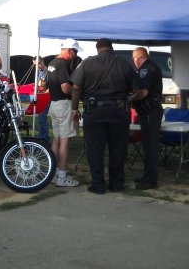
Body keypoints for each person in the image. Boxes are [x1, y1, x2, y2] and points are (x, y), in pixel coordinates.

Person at [71, 38, 134, 194]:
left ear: (97, 48)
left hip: (94, 112)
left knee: (95, 149)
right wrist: (127, 101)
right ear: (111, 48)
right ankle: (117, 183)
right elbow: (136, 89)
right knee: (118, 149)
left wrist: (74, 109)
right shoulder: (124, 63)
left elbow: (76, 87)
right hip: (119, 112)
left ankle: (98, 184)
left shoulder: (87, 63)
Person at [47, 39, 83, 187]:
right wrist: (76, 87)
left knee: (56, 139)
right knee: (65, 140)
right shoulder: (62, 64)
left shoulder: (52, 62)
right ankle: (62, 176)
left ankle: (54, 173)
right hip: (64, 104)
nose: (75, 56)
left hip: (54, 104)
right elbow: (65, 88)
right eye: (75, 52)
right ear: (70, 50)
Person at [130, 47, 163, 190]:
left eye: (133, 59)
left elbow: (143, 92)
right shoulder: (151, 67)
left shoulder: (146, 69)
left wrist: (130, 99)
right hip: (149, 112)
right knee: (148, 145)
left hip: (150, 112)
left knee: (150, 146)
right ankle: (147, 176)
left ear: (137, 58)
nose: (134, 62)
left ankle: (150, 180)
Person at [32, 56, 50, 143]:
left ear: (42, 62)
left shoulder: (48, 72)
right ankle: (41, 136)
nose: (36, 67)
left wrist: (45, 93)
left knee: (42, 118)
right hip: (39, 97)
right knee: (40, 118)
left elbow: (50, 86)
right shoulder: (38, 72)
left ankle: (44, 138)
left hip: (46, 98)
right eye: (34, 65)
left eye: (38, 64)